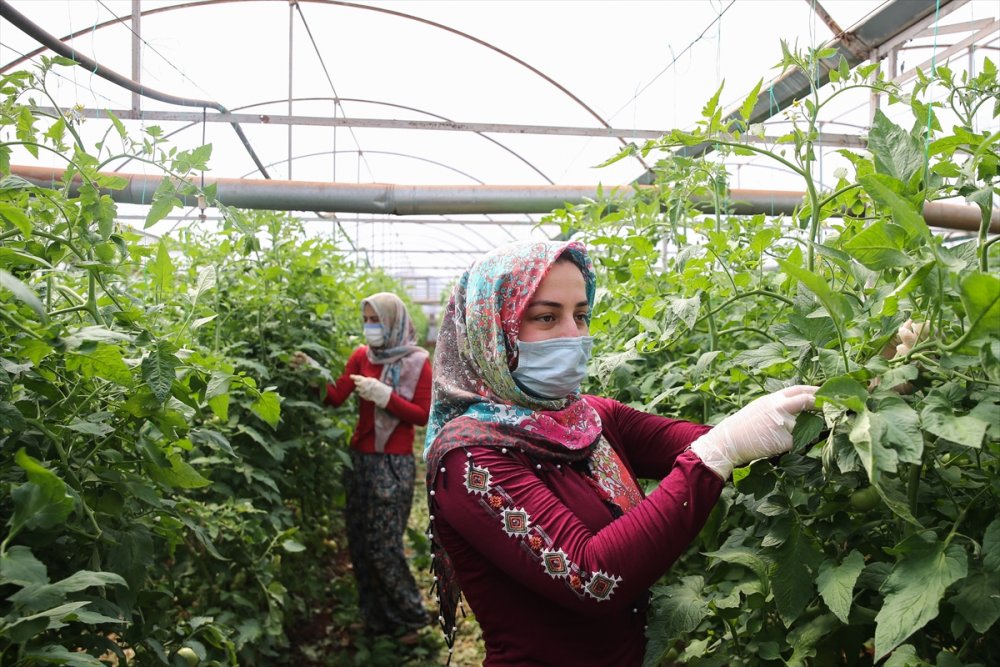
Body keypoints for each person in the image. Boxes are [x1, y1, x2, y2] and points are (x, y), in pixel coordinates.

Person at [423, 240, 817, 666]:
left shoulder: (590, 418)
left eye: (581, 315)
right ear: (491, 330)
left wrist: (845, 402)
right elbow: (591, 578)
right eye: (546, 317)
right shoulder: (469, 459)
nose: (573, 335)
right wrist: (716, 453)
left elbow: (730, 439)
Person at [292, 292, 431, 639]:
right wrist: (312, 371)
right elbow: (335, 396)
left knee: (384, 546)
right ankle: (376, 619)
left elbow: (422, 415)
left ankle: (412, 618)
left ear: (393, 321)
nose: (370, 327)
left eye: (376, 320)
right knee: (360, 542)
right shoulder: (361, 356)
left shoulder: (417, 362)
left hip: (392, 464)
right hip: (359, 460)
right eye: (366, 320)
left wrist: (386, 396)